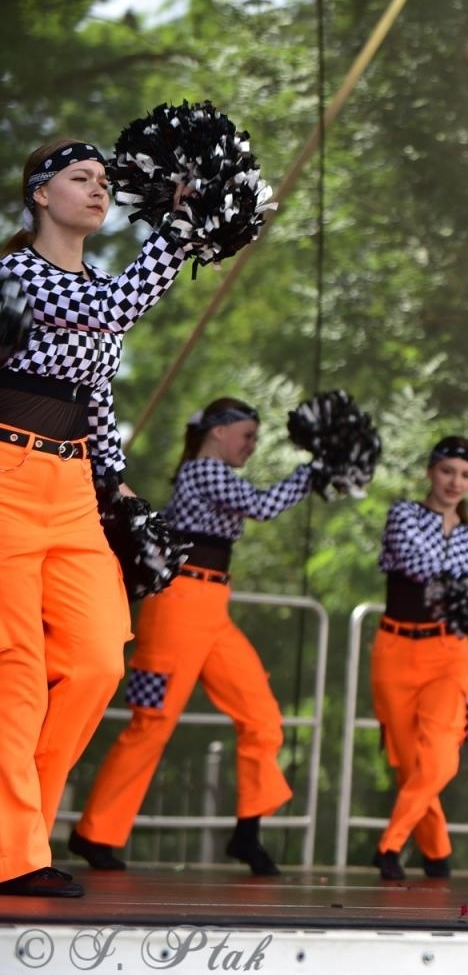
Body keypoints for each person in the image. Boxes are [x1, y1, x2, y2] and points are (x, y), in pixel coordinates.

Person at [0, 139, 190, 897]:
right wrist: (178, 232)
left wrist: (118, 492)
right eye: (81, 178)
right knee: (15, 674)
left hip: (75, 486)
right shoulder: (14, 273)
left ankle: (19, 832)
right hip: (6, 477)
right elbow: (115, 309)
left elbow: (98, 401)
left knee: (98, 660)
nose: (98, 189)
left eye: (105, 181)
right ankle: (16, 854)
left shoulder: (101, 284)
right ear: (41, 195)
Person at [70, 398, 315, 876]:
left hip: (212, 608)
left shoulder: (210, 471)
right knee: (151, 722)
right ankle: (94, 833)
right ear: (218, 433)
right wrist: (314, 471)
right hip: (177, 608)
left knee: (262, 717)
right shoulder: (204, 470)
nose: (252, 444)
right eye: (247, 434)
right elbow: (263, 506)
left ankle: (248, 831)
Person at [370, 436, 468, 881]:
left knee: (441, 759)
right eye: (447, 471)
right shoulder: (403, 514)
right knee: (409, 764)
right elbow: (418, 566)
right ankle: (437, 854)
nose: (454, 482)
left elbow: (460, 594)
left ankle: (390, 845)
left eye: (465, 475)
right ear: (430, 471)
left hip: (448, 653)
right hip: (395, 650)